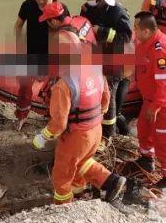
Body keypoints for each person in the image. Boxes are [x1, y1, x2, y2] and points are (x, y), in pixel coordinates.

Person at [31, 27, 127, 204]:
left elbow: (59, 123)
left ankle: (63, 207)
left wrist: (43, 137)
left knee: (62, 174)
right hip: (96, 130)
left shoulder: (63, 84)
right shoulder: (95, 70)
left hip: (77, 135)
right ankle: (110, 181)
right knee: (82, 163)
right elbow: (106, 101)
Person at [132, 11, 166, 189]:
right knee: (144, 130)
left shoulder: (161, 50)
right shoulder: (145, 43)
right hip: (151, 99)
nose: (134, 31)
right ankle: (146, 160)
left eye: (136, 28)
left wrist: (155, 107)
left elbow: (165, 85)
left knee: (165, 141)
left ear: (146, 31)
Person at [78, 0, 133, 138]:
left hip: (115, 58)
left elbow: (126, 36)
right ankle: (119, 127)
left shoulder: (117, 11)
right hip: (98, 56)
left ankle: (108, 135)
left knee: (109, 93)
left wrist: (101, 31)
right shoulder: (87, 9)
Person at [13, 0, 55, 128]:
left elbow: (66, 32)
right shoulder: (28, 6)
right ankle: (21, 116)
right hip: (30, 54)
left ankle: (53, 116)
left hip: (51, 56)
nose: (41, 1)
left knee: (53, 89)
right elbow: (18, 25)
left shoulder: (60, 8)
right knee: (24, 87)